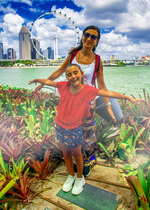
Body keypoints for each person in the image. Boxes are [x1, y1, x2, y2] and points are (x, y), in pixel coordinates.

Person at [29, 64, 142, 195]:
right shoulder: (63, 86)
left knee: (77, 155)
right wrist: (38, 80)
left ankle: (79, 178)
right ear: (66, 77)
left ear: (82, 74)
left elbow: (108, 93)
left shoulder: (88, 90)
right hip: (60, 126)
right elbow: (49, 82)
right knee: (66, 154)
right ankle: (71, 175)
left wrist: (129, 98)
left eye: (75, 73)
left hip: (74, 128)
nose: (73, 76)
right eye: (69, 74)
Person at [33, 25, 123, 176]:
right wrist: (42, 83)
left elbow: (101, 84)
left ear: (97, 41)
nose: (89, 38)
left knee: (87, 135)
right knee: (69, 131)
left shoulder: (98, 60)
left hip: (87, 103)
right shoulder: (73, 54)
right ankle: (74, 160)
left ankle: (87, 163)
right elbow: (59, 71)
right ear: (82, 36)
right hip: (69, 101)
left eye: (93, 37)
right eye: (86, 35)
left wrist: (108, 105)